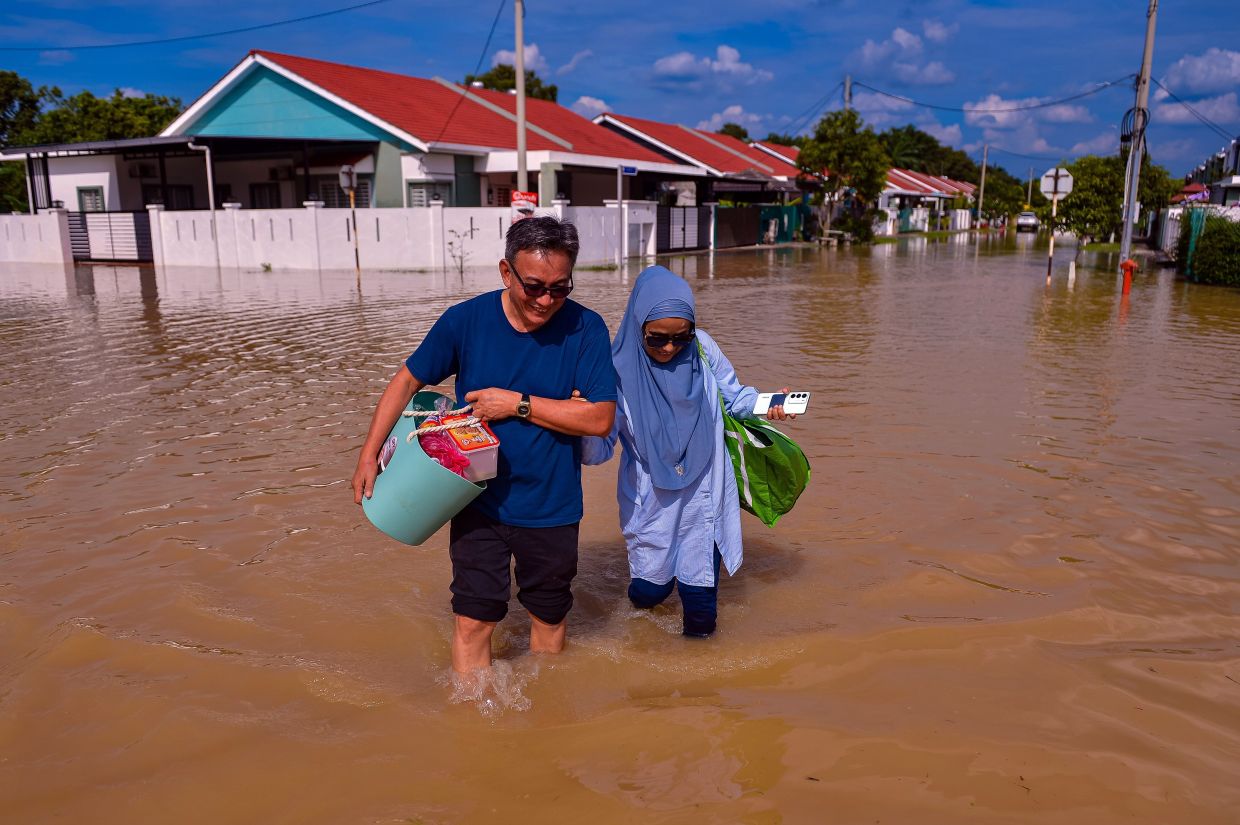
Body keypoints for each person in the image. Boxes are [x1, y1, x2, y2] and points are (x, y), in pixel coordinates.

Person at [352, 216, 617, 673]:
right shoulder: (465, 321)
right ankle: (470, 724)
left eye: (560, 288)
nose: (547, 300)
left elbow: (599, 418)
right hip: (475, 502)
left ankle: (545, 720)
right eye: (533, 286)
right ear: (505, 272)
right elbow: (408, 379)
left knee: (548, 618)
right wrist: (369, 453)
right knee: (473, 622)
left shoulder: (586, 330)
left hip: (551, 506)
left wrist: (517, 405)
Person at [582, 266, 792, 638]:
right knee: (651, 592)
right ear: (637, 327)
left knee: (701, 609)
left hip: (705, 498)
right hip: (653, 504)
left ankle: (698, 694)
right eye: (656, 339)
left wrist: (769, 404)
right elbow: (599, 451)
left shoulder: (703, 349)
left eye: (681, 338)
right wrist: (578, 419)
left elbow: (735, 396)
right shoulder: (613, 375)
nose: (669, 348)